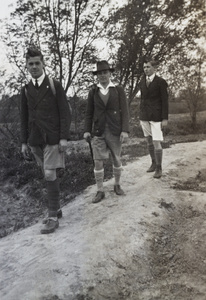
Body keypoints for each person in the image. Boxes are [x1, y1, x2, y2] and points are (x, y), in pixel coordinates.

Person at [20, 47, 71, 234]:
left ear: (43, 64)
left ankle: (51, 217)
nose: (34, 67)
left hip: (53, 136)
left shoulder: (54, 85)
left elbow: (65, 113)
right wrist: (24, 142)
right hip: (35, 139)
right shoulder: (25, 90)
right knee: (47, 173)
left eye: (37, 63)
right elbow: (23, 117)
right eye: (30, 64)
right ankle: (56, 208)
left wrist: (64, 137)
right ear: (26, 66)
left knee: (49, 173)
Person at [84, 60, 129, 203]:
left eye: (105, 72)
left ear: (110, 73)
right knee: (98, 161)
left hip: (115, 130)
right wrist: (86, 130)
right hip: (98, 131)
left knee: (116, 158)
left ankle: (117, 185)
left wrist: (125, 130)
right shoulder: (93, 92)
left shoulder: (118, 90)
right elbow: (89, 113)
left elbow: (125, 112)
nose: (103, 76)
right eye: (100, 73)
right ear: (97, 76)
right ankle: (100, 190)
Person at [139, 58, 168, 179]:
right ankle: (153, 163)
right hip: (144, 115)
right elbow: (142, 99)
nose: (146, 69)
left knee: (156, 142)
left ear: (154, 68)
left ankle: (159, 168)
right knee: (148, 141)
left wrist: (165, 118)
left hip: (156, 116)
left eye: (148, 67)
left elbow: (164, 101)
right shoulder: (142, 81)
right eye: (144, 67)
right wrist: (140, 114)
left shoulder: (161, 82)